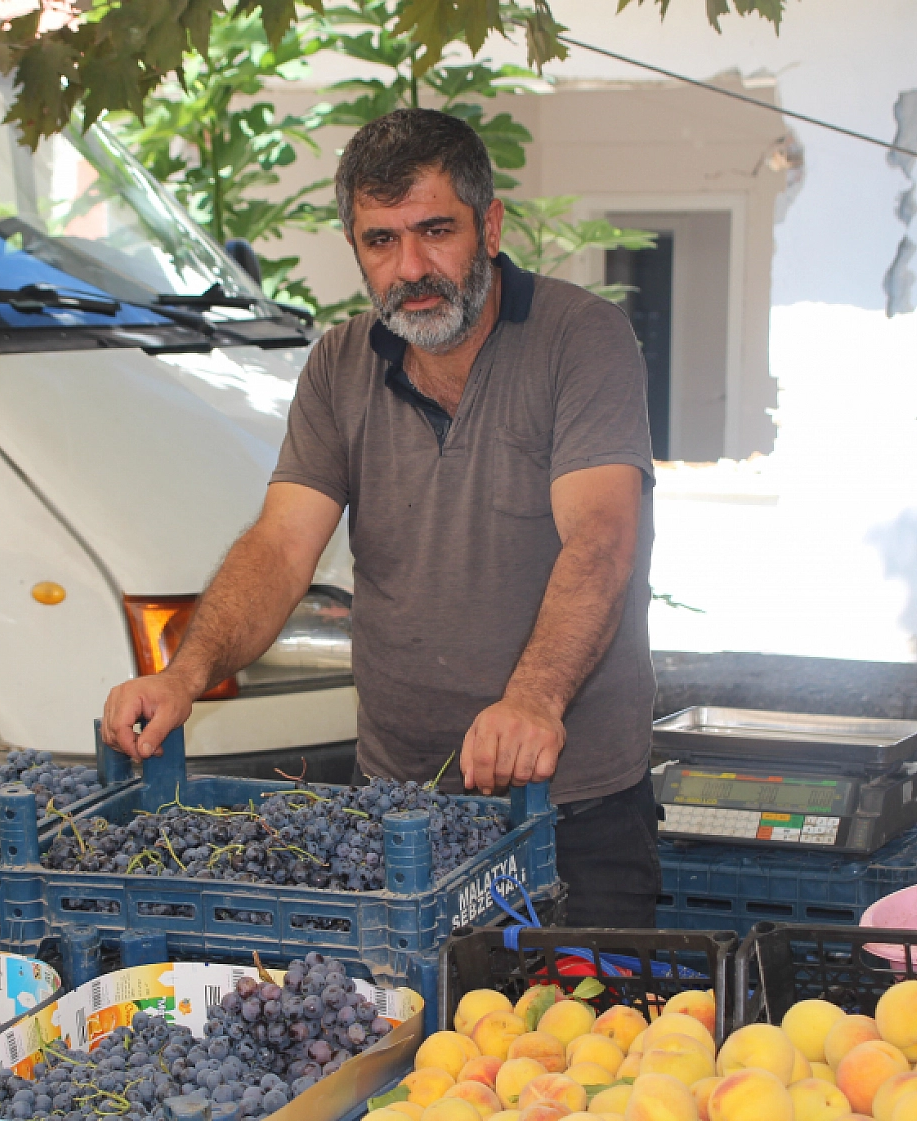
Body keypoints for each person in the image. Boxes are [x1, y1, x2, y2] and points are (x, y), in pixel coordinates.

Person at [101, 108, 659, 926]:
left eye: (436, 231)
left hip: (571, 815)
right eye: (381, 240)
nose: (412, 267)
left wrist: (534, 700)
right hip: (396, 821)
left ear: (491, 225)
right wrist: (185, 674)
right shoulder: (340, 363)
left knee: (585, 1047)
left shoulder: (583, 340)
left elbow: (602, 539)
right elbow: (282, 544)